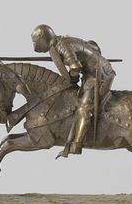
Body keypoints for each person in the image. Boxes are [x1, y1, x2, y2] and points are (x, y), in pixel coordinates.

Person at [31, 24, 116, 156]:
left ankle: (76, 144)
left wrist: (72, 79)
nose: (35, 45)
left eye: (35, 41)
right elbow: (93, 46)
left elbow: (75, 67)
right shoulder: (62, 42)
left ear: (43, 38)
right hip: (91, 73)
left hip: (99, 75)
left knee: (84, 108)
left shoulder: (63, 46)